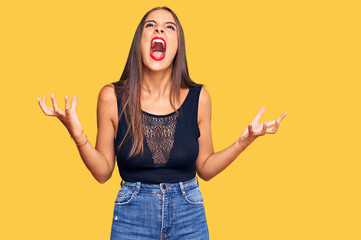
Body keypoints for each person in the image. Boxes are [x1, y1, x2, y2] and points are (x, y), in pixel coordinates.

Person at [37, 6, 287, 240]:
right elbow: (102, 173)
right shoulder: (112, 97)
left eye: (169, 27)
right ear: (139, 42)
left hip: (189, 213)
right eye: (151, 25)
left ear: (178, 45)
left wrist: (244, 141)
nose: (159, 29)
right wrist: (78, 134)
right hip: (132, 215)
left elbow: (206, 169)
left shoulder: (199, 98)